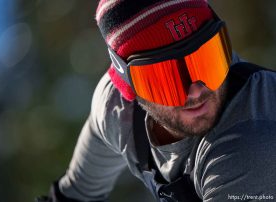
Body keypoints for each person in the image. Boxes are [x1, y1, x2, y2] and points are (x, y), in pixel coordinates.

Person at [36, 0, 276, 201]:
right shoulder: (118, 112)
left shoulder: (250, 144)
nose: (195, 91)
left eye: (206, 61)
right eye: (166, 78)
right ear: (127, 84)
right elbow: (75, 193)